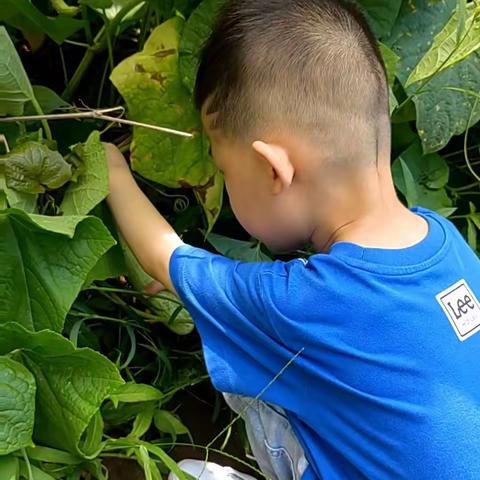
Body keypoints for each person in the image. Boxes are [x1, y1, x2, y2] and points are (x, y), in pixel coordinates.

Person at [105, 0, 480, 478]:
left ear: (272, 169)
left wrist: (111, 168)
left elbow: (165, 258)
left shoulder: (302, 304)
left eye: (224, 171)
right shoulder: (448, 242)